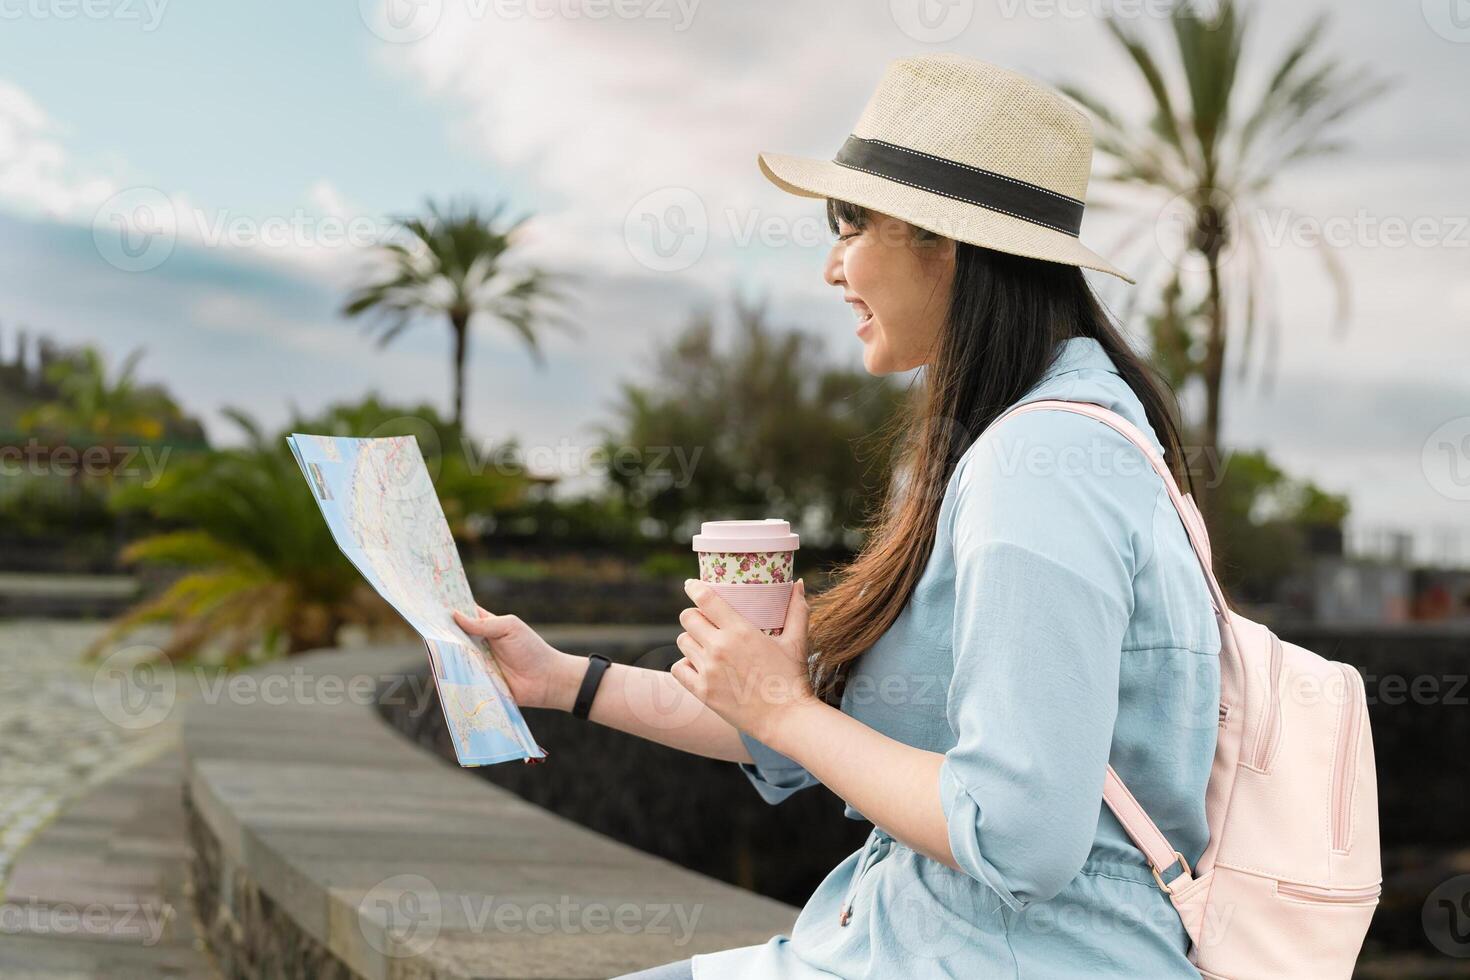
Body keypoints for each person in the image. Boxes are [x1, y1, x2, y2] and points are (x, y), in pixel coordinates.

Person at [455, 53, 1221, 979]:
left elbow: (1021, 833)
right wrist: (559, 679)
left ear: (944, 241)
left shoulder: (1040, 468)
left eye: (850, 224)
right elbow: (828, 715)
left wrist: (782, 709)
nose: (831, 267)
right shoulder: (1026, 444)